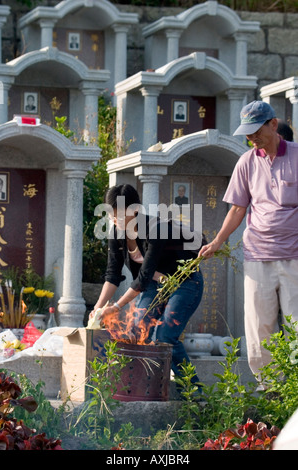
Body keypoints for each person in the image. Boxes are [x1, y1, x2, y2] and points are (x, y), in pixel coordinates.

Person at [199, 100, 298, 386]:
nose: (252, 137)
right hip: (257, 255)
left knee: (295, 323)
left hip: (294, 255)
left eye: (257, 130)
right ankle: (269, 386)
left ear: (273, 124)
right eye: (247, 133)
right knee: (258, 325)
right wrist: (218, 241)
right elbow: (237, 208)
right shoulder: (246, 162)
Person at [90, 184, 204, 389]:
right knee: (135, 331)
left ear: (135, 210)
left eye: (118, 214)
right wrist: (98, 308)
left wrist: (115, 308)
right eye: (110, 214)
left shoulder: (155, 229)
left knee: (165, 336)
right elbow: (112, 275)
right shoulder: (116, 234)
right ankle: (140, 388)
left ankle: (194, 393)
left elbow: (143, 277)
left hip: (184, 282)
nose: (113, 220)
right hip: (155, 283)